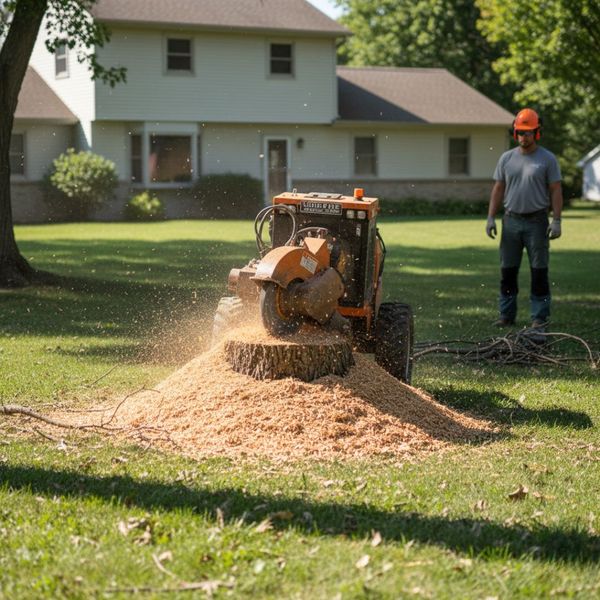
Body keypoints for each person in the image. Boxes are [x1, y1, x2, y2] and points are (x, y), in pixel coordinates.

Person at [486, 108, 563, 331]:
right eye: (520, 132)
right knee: (507, 270)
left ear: (537, 132)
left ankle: (539, 317)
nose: (523, 137)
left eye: (528, 133)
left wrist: (556, 220)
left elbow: (556, 190)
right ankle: (506, 315)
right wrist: (491, 217)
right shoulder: (506, 159)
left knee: (539, 270)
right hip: (510, 221)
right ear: (515, 132)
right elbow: (498, 189)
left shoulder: (547, 159)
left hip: (537, 222)